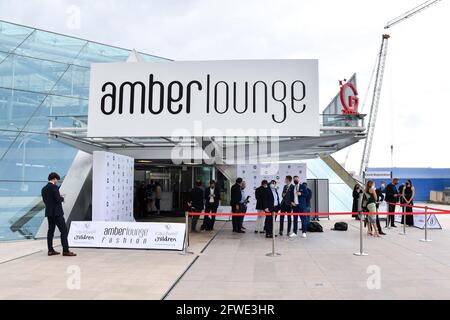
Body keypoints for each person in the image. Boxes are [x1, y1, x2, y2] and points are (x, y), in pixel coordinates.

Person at [41, 172, 76, 257]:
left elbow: (46, 201)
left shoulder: (44, 189)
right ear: (54, 179)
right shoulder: (54, 188)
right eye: (57, 179)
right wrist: (62, 198)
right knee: (64, 230)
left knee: (50, 231)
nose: (57, 181)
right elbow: (57, 199)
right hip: (57, 213)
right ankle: (66, 250)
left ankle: (50, 250)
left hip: (49, 213)